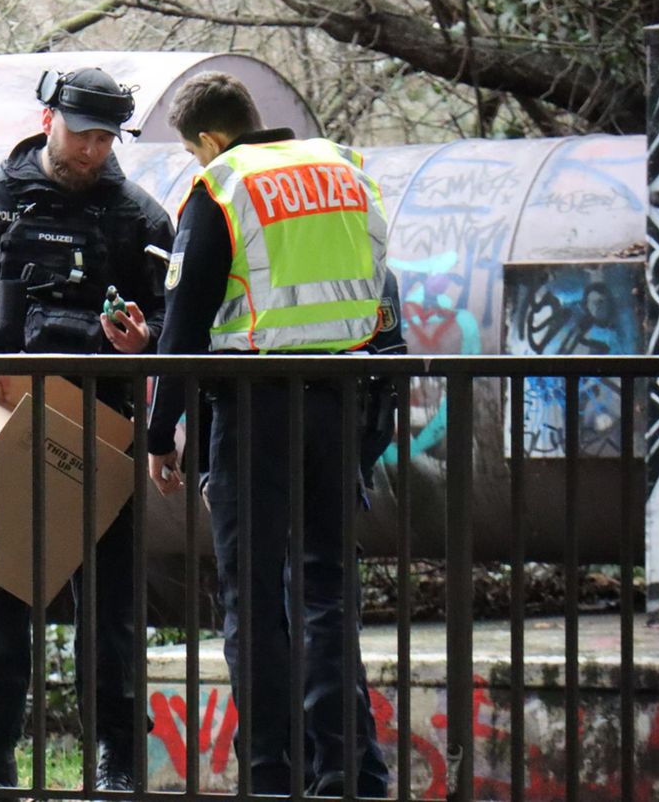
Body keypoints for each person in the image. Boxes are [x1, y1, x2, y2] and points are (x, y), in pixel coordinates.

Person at [0, 67, 173, 794]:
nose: (91, 151)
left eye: (105, 139)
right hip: (3, 420)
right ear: (48, 118)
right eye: (81, 134)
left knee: (111, 612)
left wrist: (144, 340)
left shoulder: (139, 218)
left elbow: (178, 315)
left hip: (104, 427)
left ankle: (117, 762)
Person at [145, 71, 392, 798]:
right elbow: (381, 287)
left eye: (192, 150)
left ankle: (270, 776)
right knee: (326, 592)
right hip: (340, 400)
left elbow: (185, 325)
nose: (196, 161)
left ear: (210, 138)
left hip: (256, 408)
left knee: (252, 600)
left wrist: (161, 432)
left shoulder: (223, 186)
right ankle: (346, 774)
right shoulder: (346, 171)